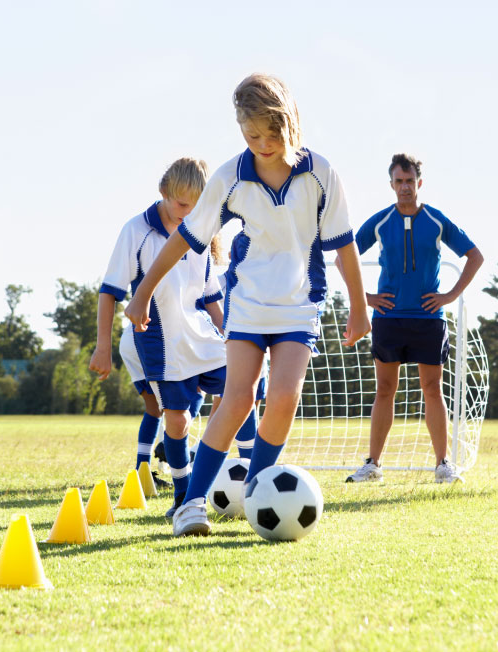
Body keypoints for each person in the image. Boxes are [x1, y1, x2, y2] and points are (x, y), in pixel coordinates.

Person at [125, 73, 369, 537]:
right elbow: (186, 238)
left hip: (299, 305)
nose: (262, 144)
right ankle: (190, 505)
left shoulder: (321, 173)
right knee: (238, 399)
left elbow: (344, 244)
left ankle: (259, 491)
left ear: (290, 123)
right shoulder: (230, 177)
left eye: (271, 134)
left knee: (283, 398)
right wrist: (142, 293)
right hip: (250, 302)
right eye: (251, 134)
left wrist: (359, 308)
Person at [90, 158, 229, 512]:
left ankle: (251, 474)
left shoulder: (200, 230)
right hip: (160, 342)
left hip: (203, 335)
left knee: (240, 391)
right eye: (182, 204)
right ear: (164, 194)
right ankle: (183, 495)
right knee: (178, 420)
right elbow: (109, 291)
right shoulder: (136, 231)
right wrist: (102, 347)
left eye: (195, 206)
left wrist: (229, 334)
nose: (188, 212)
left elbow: (211, 295)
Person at [345, 153, 483, 484]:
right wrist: (365, 299)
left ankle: (443, 465)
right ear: (391, 184)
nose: (404, 187)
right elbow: (343, 257)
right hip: (388, 319)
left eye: (410, 181)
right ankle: (373, 464)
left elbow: (475, 256)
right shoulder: (380, 221)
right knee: (384, 390)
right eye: (399, 181)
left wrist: (450, 296)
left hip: (428, 319)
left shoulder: (435, 220)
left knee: (432, 389)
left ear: (419, 183)